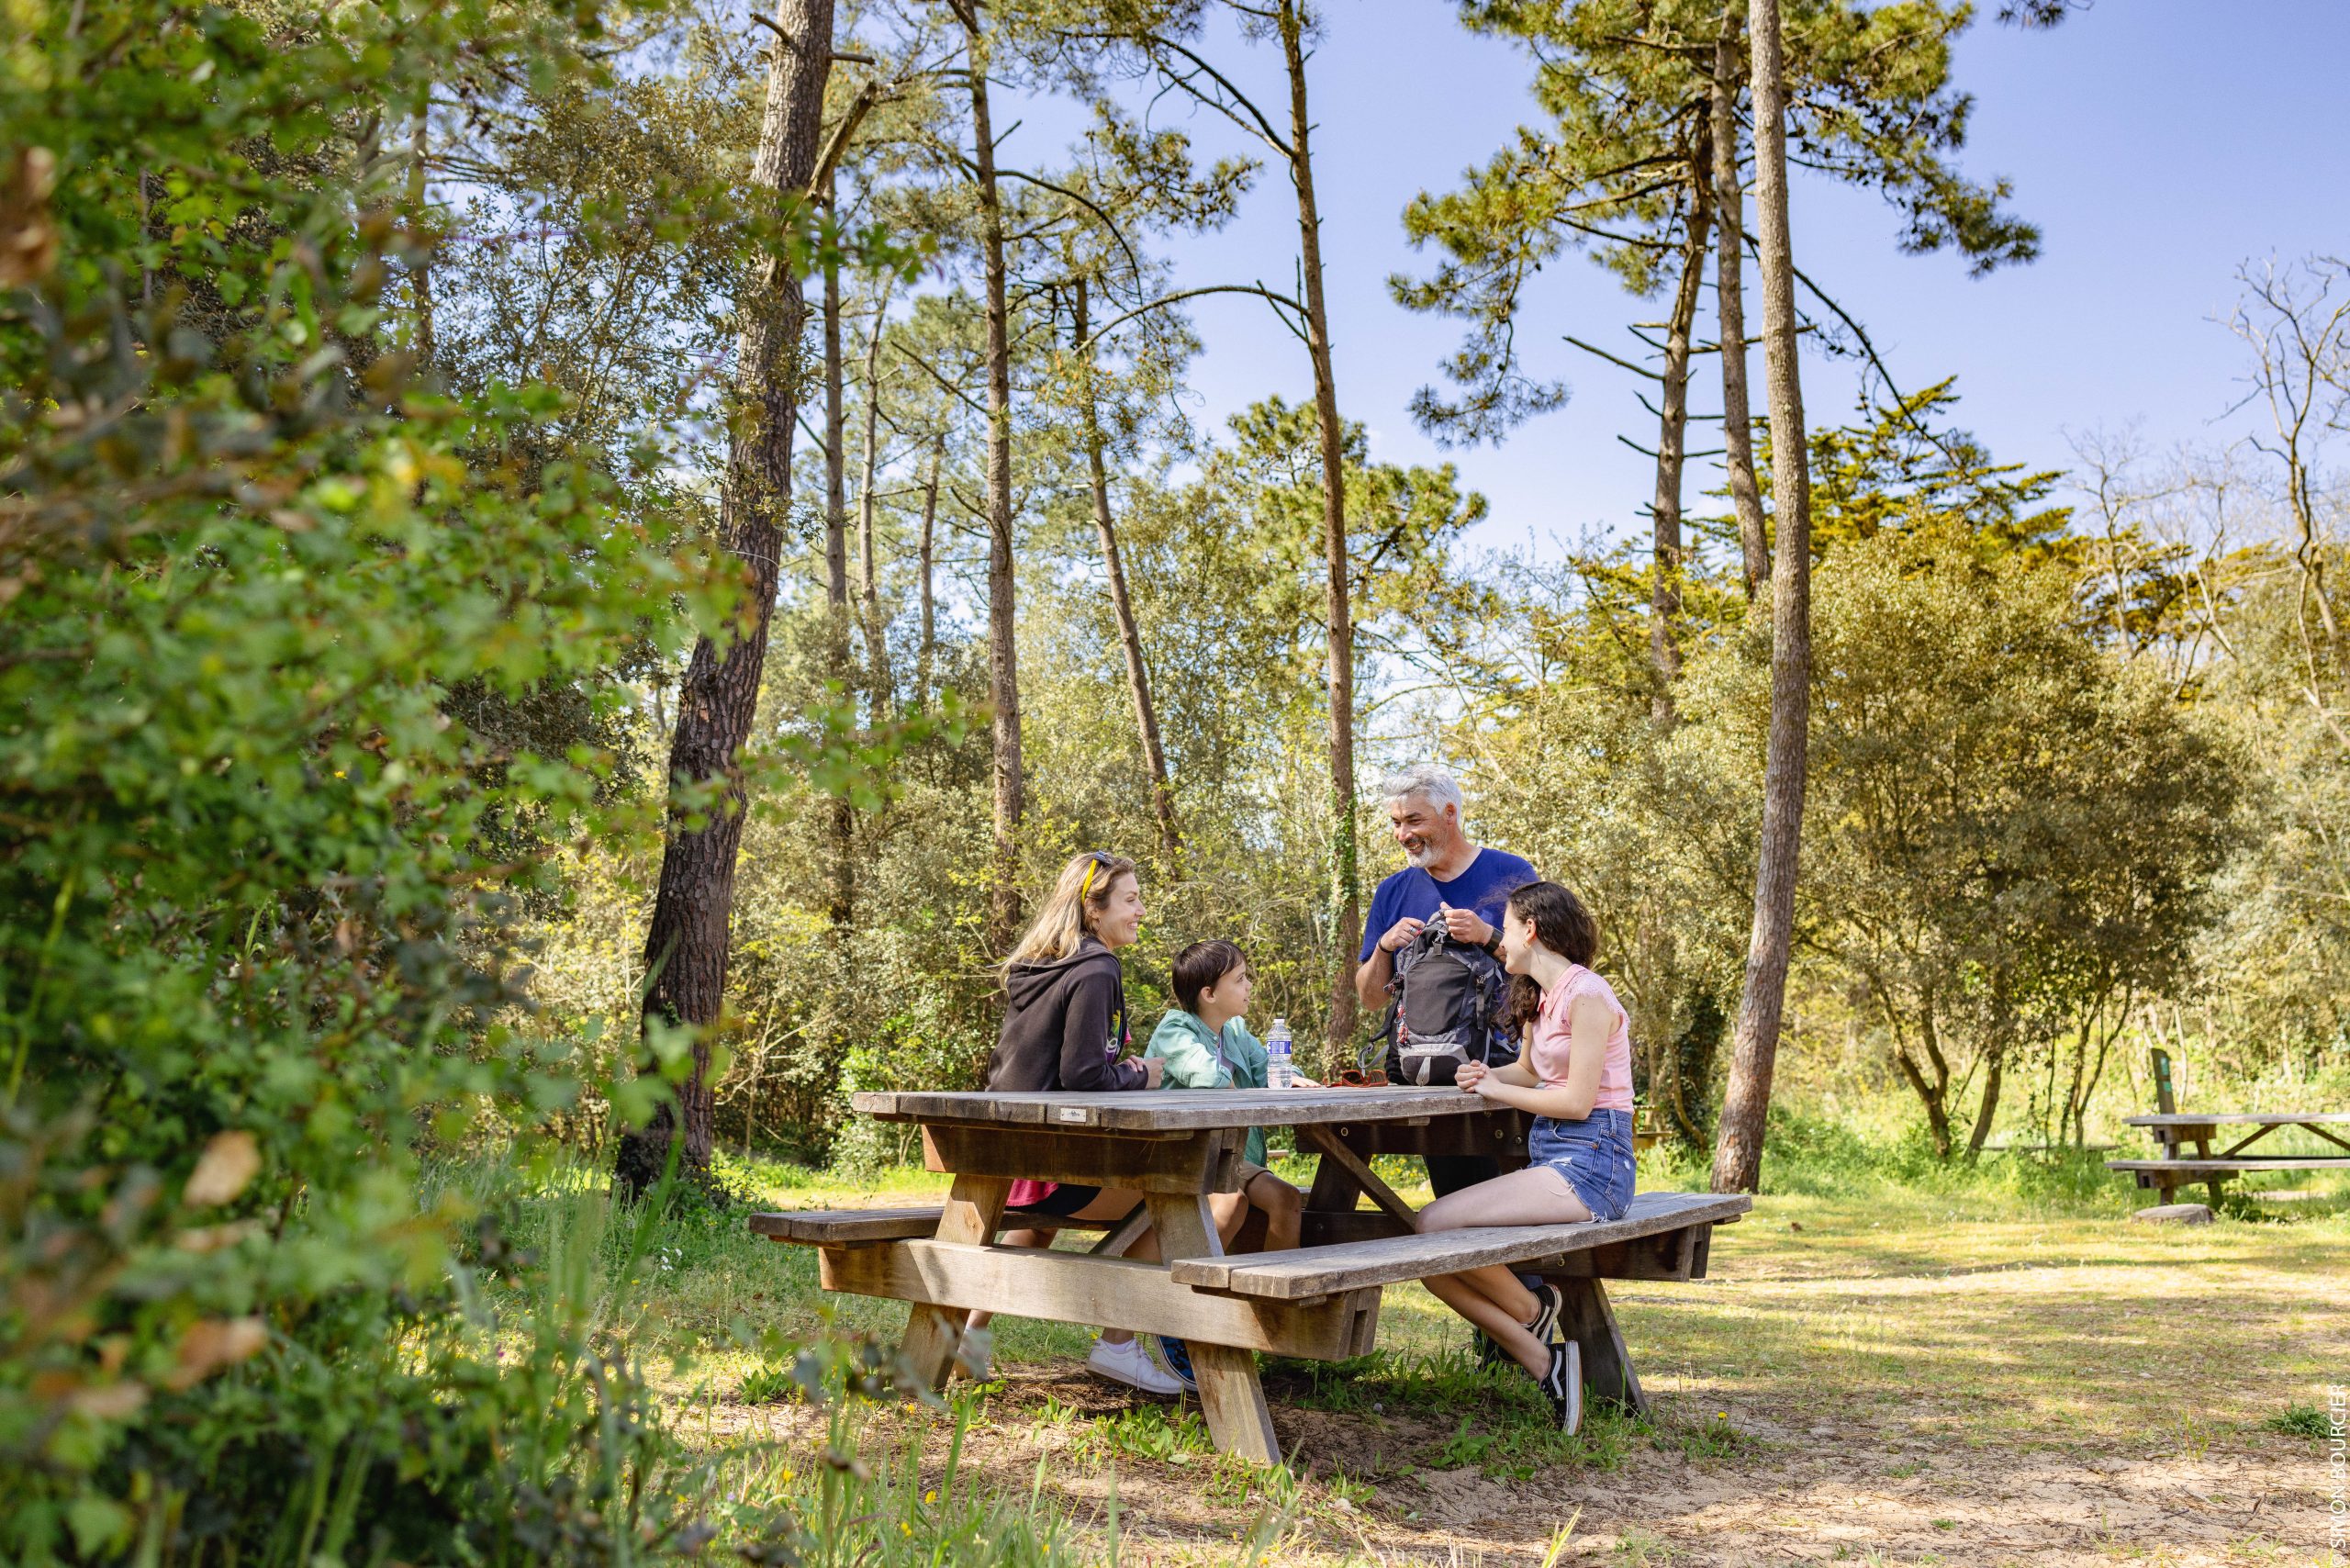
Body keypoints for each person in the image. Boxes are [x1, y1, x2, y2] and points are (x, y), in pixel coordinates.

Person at [1414, 880, 1639, 1433]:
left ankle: (1537, 1324)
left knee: (1431, 1226)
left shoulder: (1588, 995)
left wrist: (1496, 1091)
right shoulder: (1539, 994)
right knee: (1427, 1254)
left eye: (1507, 929)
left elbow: (1576, 1099)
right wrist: (1484, 1075)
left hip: (1594, 1167)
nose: (1502, 942)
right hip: (1554, 1160)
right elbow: (1534, 1074)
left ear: (1531, 929)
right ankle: (1542, 1349)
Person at [965, 851, 1182, 1394]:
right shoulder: (1096, 968)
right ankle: (1117, 1344)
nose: (1141, 911)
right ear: (1093, 908)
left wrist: (1122, 1069)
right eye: (1130, 900)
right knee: (1183, 1197)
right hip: (1051, 1166)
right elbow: (1084, 1075)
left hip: (1009, 1161)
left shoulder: (1039, 965)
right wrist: (1141, 1075)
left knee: (1039, 1225)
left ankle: (965, 1339)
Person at [1354, 764, 1538, 1198]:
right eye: (1396, 823)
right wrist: (1383, 947)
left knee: (1517, 1211)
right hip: (1427, 1076)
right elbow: (1368, 999)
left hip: (1506, 1075)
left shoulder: (1511, 874)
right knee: (1456, 1206)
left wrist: (1487, 935)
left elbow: (1549, 969)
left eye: (1414, 820)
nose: (1403, 834)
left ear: (1450, 813)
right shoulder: (1392, 891)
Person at [1149, 940, 1305, 1254]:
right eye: (1240, 979)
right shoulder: (1175, 1029)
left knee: (1286, 1200)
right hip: (1181, 1155)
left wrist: (1296, 1080)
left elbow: (1268, 1071)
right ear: (1209, 994)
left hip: (1228, 1157)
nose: (1249, 985)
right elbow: (1209, 1079)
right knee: (1231, 1203)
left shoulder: (1234, 1030)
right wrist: (1255, 1090)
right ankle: (1182, 1289)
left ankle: (1273, 1298)